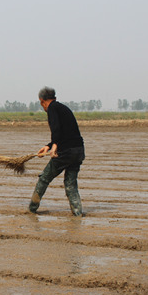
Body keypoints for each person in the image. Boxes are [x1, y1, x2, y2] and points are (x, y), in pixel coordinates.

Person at [29, 87, 85, 216]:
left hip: (66, 152)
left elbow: (56, 129)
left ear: (42, 101)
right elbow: (65, 133)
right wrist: (48, 146)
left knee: (44, 179)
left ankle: (32, 209)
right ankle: (77, 213)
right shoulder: (63, 108)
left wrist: (54, 146)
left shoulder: (52, 108)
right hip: (78, 151)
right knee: (70, 183)